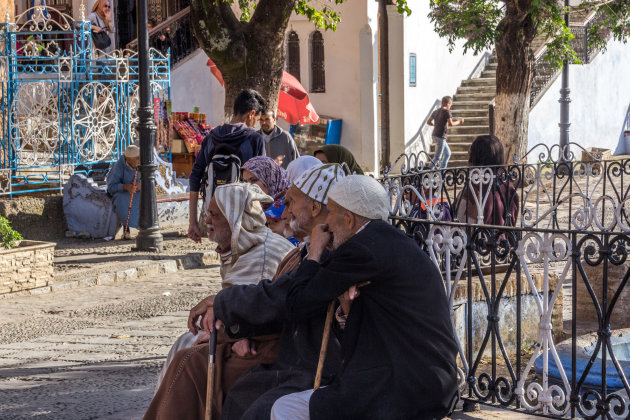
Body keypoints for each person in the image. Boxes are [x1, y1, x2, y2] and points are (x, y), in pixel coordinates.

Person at [144, 164, 346, 420]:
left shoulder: (322, 252)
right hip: (280, 345)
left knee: (195, 363)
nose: (286, 211)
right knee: (193, 356)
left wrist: (223, 309)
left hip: (293, 355)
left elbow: (279, 299)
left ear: (315, 208)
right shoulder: (306, 250)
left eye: (292, 202)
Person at [275, 175, 459, 420]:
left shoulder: (361, 249)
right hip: (430, 381)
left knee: (285, 409)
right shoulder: (387, 241)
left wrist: (315, 252)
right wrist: (347, 309)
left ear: (349, 219)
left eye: (330, 213)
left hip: (404, 387)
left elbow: (297, 304)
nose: (326, 223)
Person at [154, 183, 294, 389]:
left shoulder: (262, 254)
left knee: (190, 351)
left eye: (215, 215)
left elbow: (249, 309)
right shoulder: (244, 248)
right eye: (207, 213)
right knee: (187, 343)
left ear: (234, 219)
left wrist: (220, 326)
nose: (208, 221)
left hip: (268, 346)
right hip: (248, 335)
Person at [188, 89, 267, 243]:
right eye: (256, 119)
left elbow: (195, 178)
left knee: (224, 253)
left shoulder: (211, 138)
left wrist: (193, 222)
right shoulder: (254, 139)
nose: (255, 124)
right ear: (251, 114)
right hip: (243, 213)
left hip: (215, 211)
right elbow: (261, 182)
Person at [455, 135, 519, 226]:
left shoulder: (473, 190)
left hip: (478, 239)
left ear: (476, 159)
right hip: (505, 239)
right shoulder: (508, 186)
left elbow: (459, 224)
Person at [106, 145, 140, 238]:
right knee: (123, 198)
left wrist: (142, 185)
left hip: (138, 192)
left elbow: (154, 182)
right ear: (128, 160)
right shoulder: (118, 166)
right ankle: (127, 227)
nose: (139, 160)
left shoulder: (143, 163)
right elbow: (111, 187)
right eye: (137, 159)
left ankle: (143, 226)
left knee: (146, 196)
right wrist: (125, 187)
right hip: (123, 193)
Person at [427, 96, 465, 169]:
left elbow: (428, 122)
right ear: (448, 103)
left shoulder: (436, 111)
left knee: (447, 153)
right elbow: (451, 124)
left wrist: (434, 124)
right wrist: (460, 121)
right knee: (437, 157)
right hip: (441, 136)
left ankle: (442, 172)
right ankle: (426, 174)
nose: (450, 106)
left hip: (434, 135)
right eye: (450, 105)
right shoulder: (447, 112)